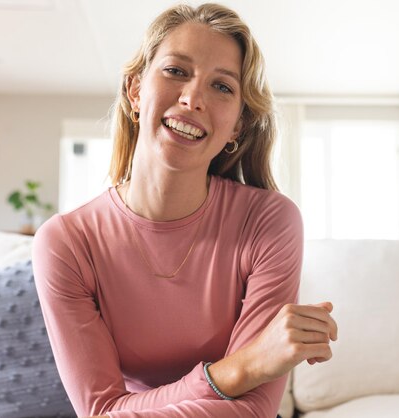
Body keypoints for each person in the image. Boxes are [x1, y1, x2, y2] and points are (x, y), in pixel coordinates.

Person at [32, 3, 338, 417]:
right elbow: (99, 411)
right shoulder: (66, 242)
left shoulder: (269, 222)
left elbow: (254, 411)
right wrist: (238, 370)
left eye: (222, 87)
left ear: (237, 127)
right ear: (135, 90)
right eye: (176, 71)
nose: (193, 98)